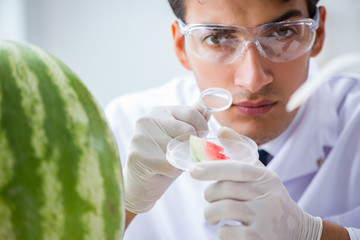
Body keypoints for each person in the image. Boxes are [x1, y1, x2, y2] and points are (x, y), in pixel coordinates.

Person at [105, 0, 360, 239]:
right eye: (217, 38)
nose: (253, 80)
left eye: (281, 33)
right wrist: (125, 204)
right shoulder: (122, 127)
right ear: (181, 46)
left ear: (319, 33)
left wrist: (313, 234)